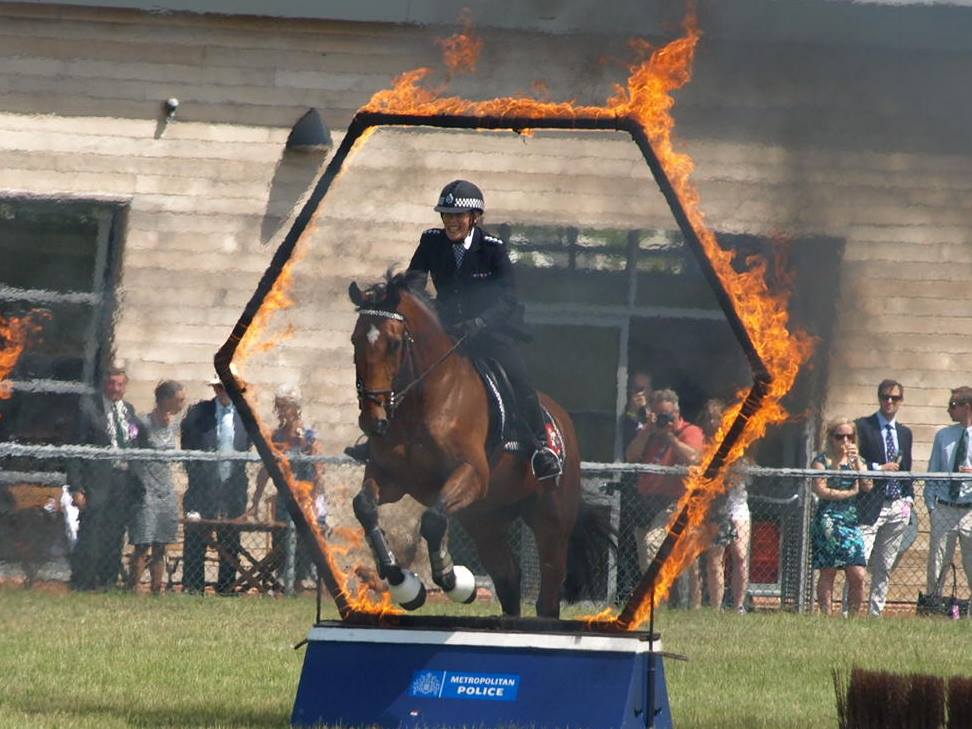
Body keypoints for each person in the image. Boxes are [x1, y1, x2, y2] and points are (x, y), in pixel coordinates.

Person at [345, 179, 561, 480]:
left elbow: (508, 299)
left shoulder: (492, 249)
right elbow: (414, 284)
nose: (451, 222)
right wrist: (386, 300)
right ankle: (378, 439)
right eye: (446, 215)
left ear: (474, 218)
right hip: (448, 330)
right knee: (402, 369)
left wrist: (480, 323)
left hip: (490, 332)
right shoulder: (431, 241)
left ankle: (541, 447)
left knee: (519, 378)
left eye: (458, 216)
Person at [68, 363, 144, 591]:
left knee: (115, 531)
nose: (115, 388)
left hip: (122, 481)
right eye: (112, 383)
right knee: (92, 531)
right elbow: (75, 450)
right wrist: (76, 487)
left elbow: (136, 441)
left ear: (125, 386)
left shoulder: (128, 410)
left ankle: (108, 579)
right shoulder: (88, 409)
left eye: (120, 384)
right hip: (96, 481)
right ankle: (84, 581)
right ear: (104, 384)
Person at [626, 388, 704, 605]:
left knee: (653, 545)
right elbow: (631, 456)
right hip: (646, 501)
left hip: (674, 502)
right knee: (645, 555)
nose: (663, 420)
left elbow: (695, 458)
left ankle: (656, 602)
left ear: (677, 414)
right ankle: (659, 604)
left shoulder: (689, 431)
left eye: (667, 416)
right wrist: (649, 430)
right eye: (659, 415)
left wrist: (670, 437)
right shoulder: (650, 432)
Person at [249, 385, 327, 593]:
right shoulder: (276, 436)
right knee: (281, 540)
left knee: (306, 541)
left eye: (286, 407)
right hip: (285, 499)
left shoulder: (309, 434)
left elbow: (319, 469)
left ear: (295, 408)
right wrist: (256, 500)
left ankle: (301, 584)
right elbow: (265, 470)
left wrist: (305, 447)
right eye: (279, 407)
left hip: (308, 496)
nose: (282, 411)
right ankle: (284, 582)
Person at [180, 371, 252, 594]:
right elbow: (188, 447)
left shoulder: (245, 415)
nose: (223, 391)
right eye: (219, 387)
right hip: (202, 487)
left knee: (230, 540)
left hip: (233, 487)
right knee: (196, 537)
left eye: (227, 386)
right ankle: (193, 587)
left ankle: (226, 587)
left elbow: (248, 445)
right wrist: (198, 476)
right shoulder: (199, 413)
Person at [854, 379, 913, 616]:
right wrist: (879, 468)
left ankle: (875, 613)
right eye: (885, 397)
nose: (889, 402)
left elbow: (906, 468)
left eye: (895, 398)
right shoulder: (863, 427)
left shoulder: (905, 433)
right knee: (859, 562)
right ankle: (851, 611)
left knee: (885, 565)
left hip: (897, 505)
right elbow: (854, 461)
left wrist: (908, 499)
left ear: (900, 401)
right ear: (879, 398)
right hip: (870, 504)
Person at [127, 380, 186, 595]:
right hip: (145, 490)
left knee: (161, 543)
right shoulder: (141, 422)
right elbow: (129, 449)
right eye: (179, 399)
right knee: (143, 543)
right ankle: (132, 587)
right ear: (166, 399)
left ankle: (156, 589)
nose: (182, 403)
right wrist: (138, 481)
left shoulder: (174, 425)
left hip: (166, 490)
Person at [810, 417, 873, 616]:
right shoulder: (822, 461)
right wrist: (849, 493)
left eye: (849, 436)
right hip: (828, 518)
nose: (845, 441)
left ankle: (852, 617)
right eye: (840, 437)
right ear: (831, 438)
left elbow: (868, 486)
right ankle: (827, 616)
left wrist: (858, 466)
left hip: (850, 520)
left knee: (858, 573)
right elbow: (821, 490)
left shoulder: (857, 461)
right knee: (828, 570)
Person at [699, 399, 751, 613]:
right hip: (713, 509)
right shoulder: (702, 447)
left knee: (739, 555)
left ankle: (739, 605)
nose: (714, 422)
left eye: (717, 418)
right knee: (715, 558)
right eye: (709, 418)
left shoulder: (737, 446)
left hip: (737, 507)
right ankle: (716, 607)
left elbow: (743, 475)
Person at [924, 386, 972, 597]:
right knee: (938, 561)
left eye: (953, 405)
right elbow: (932, 470)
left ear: (967, 407)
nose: (949, 410)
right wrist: (932, 507)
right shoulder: (944, 436)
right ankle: (934, 603)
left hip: (970, 509)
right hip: (944, 507)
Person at [621, 369, 653, 450]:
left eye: (642, 389)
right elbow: (626, 437)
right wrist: (633, 411)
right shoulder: (624, 410)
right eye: (636, 389)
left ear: (650, 390)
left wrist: (645, 408)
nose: (639, 393)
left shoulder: (659, 408)